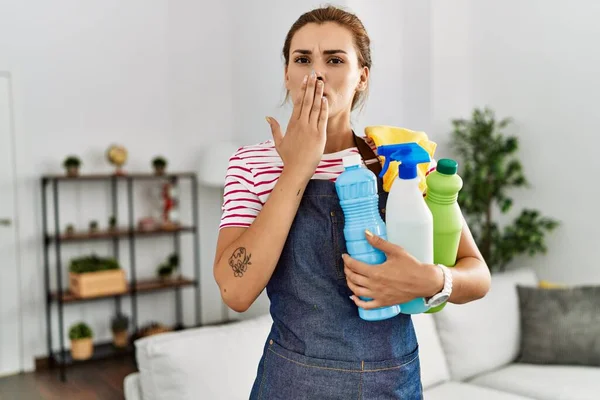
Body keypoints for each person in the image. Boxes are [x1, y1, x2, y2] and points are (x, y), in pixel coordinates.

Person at [213, 5, 491, 399]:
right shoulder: (252, 164)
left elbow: (477, 274)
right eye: (303, 59)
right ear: (287, 74)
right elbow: (235, 292)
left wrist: (431, 281)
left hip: (392, 384)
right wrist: (297, 168)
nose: (317, 73)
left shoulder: (401, 159)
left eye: (335, 59)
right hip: (293, 384)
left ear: (362, 76)